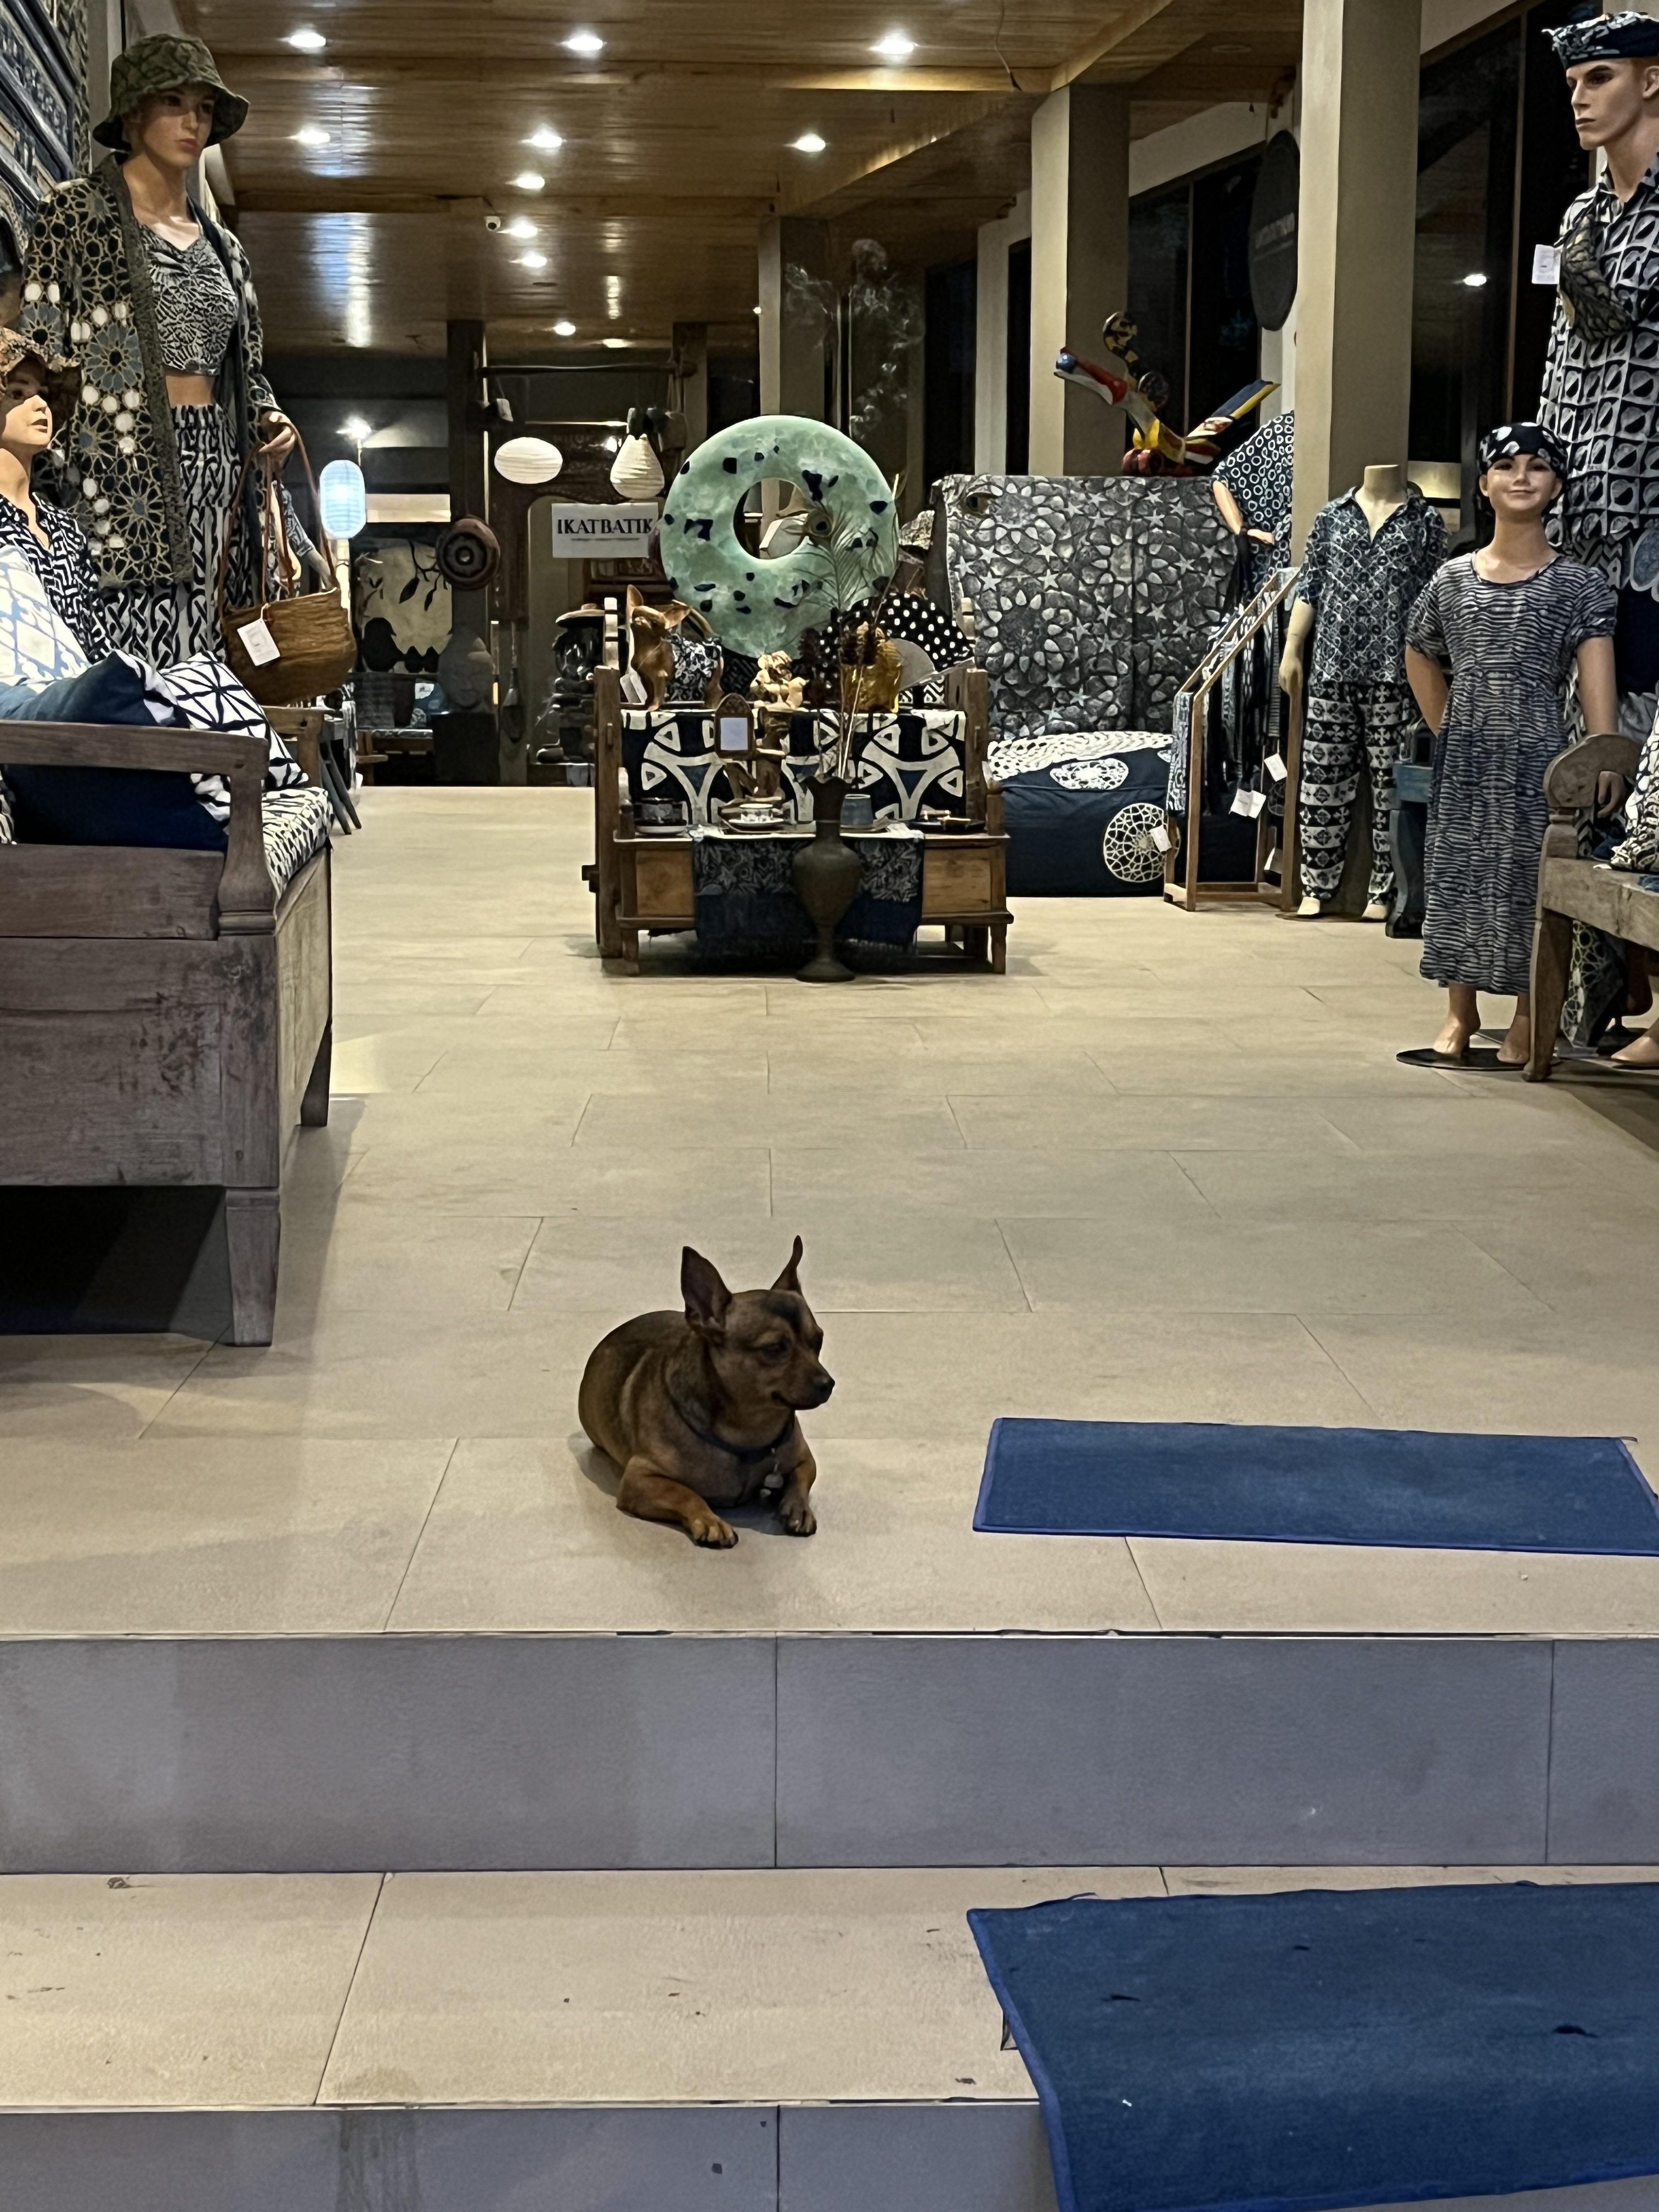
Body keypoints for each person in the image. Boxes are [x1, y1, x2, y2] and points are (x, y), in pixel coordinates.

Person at [17, 33, 301, 664]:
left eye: (204, 107)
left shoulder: (225, 248)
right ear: (133, 113)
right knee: (123, 663)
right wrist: (47, 474)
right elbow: (38, 350)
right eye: (173, 102)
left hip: (218, 468)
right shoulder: (76, 214)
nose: (192, 122)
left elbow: (249, 369)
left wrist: (270, 416)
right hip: (115, 465)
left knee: (214, 655)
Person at [1404, 425, 1620, 1067]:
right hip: (1466, 755)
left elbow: (1597, 677)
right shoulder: (1451, 580)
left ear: (1557, 485)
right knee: (1457, 872)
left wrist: (1604, 755)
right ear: (1483, 483)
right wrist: (1447, 725)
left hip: (1540, 753)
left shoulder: (1579, 585)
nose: (1521, 477)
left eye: (1537, 466)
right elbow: (1419, 651)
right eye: (1506, 465)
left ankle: (1531, 1013)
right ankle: (1459, 1010)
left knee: (1533, 878)